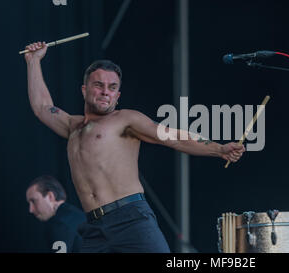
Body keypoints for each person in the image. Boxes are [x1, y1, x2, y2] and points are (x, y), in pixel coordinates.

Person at [24, 41, 245, 253]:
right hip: (94, 226)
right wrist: (33, 61)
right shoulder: (72, 127)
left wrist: (219, 149)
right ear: (84, 90)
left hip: (130, 218)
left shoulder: (126, 120)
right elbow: (42, 108)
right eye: (98, 85)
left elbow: (173, 137)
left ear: (117, 96)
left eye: (112, 88)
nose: (105, 92)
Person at [26, 175, 86, 253]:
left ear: (50, 196)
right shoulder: (77, 215)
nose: (31, 209)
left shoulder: (59, 224)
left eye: (34, 201)